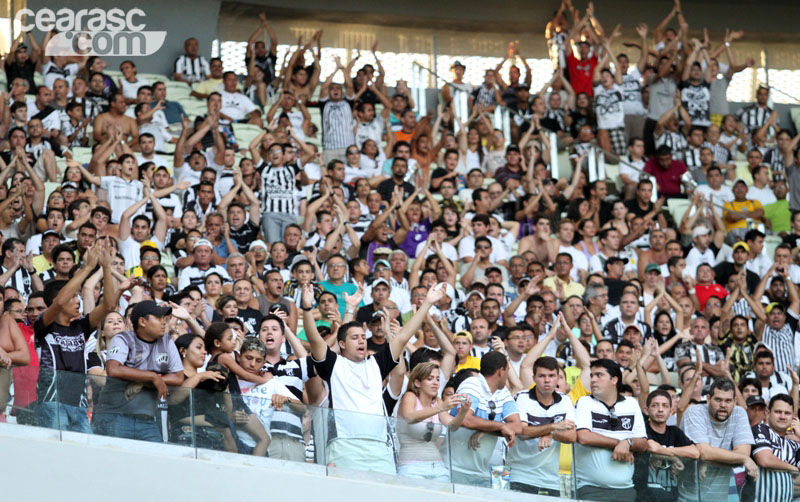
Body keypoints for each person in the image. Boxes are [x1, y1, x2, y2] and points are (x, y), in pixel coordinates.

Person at [301, 280, 446, 474]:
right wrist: (307, 307)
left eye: (363, 336)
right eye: (354, 338)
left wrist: (427, 302)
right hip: (344, 446)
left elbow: (402, 337)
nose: (361, 340)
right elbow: (314, 339)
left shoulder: (376, 364)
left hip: (380, 448)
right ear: (342, 344)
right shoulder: (334, 363)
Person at [34, 242, 117, 432]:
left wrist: (106, 267)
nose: (77, 301)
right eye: (74, 297)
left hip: (79, 405)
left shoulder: (80, 326)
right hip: (51, 402)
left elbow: (109, 306)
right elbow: (61, 300)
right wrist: (87, 266)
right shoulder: (44, 325)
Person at [93, 300, 184, 442]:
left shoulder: (166, 340)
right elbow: (113, 369)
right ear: (142, 321)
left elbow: (178, 377)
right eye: (158, 318)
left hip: (147, 420)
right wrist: (152, 377)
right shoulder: (123, 338)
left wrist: (143, 382)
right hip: (115, 415)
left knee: (155, 462)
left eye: (164, 318)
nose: (163, 322)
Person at [574, 358, 648, 501]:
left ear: (614, 380)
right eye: (592, 376)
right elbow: (584, 437)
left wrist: (628, 443)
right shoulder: (585, 402)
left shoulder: (631, 403)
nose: (593, 379)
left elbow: (643, 443)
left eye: (599, 375)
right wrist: (620, 443)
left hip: (626, 489)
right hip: (589, 488)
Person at [506, 356, 577, 495]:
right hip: (520, 475)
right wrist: (552, 427)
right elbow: (521, 432)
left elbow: (572, 435)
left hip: (551, 480)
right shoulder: (522, 398)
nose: (547, 380)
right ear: (534, 378)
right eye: (541, 376)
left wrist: (551, 434)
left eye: (551, 376)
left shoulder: (565, 400)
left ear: (558, 378)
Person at [680, 378, 758, 501]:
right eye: (718, 400)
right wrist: (742, 459)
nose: (723, 405)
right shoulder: (694, 412)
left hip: (720, 497)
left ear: (735, 401)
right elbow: (704, 452)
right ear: (708, 399)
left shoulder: (739, 413)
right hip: (689, 497)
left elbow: (743, 452)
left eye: (728, 401)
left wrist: (707, 460)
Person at [396, 361, 470, 481]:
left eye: (437, 379)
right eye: (430, 379)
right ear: (417, 382)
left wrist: (463, 412)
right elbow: (409, 417)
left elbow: (452, 425)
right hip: (411, 467)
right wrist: (440, 408)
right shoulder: (410, 396)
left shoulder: (437, 401)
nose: (436, 383)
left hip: (438, 468)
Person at [633, 389, 699, 502]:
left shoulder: (675, 432)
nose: (660, 410)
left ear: (671, 411)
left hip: (671, 497)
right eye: (655, 405)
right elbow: (651, 447)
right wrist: (674, 458)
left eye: (665, 406)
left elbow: (695, 452)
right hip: (643, 497)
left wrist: (664, 452)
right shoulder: (641, 429)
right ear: (646, 410)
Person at [750, 394, 800, 502]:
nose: (782, 416)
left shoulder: (795, 445)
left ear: (793, 417)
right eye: (778, 412)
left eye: (787, 413)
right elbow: (765, 460)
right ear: (768, 413)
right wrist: (794, 468)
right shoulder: (760, 429)